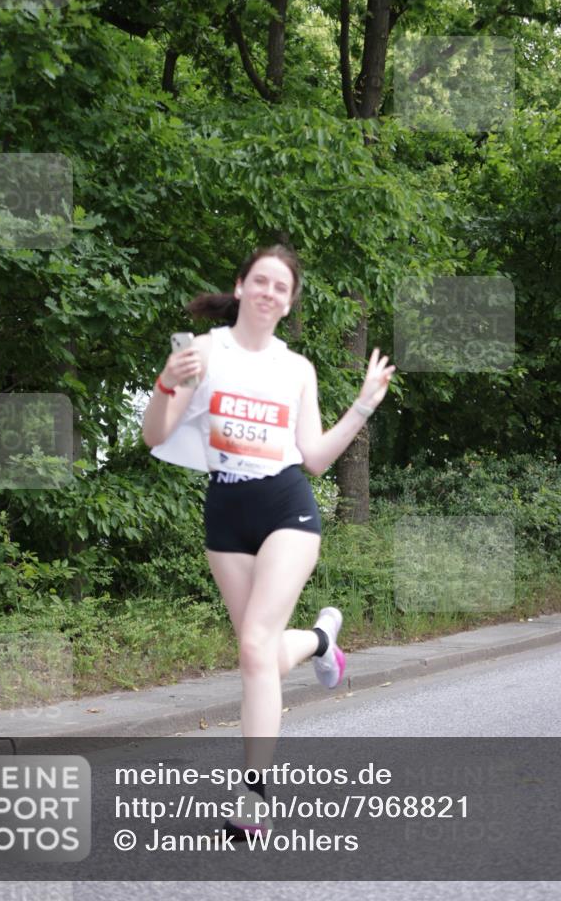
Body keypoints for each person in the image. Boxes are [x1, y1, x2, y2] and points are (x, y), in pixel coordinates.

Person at [142, 244, 395, 838]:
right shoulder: (201, 352)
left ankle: (254, 794)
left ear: (289, 301)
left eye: (281, 287)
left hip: (286, 506)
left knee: (255, 647)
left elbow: (314, 460)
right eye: (260, 281)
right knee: (259, 654)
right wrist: (163, 384)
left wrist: (362, 405)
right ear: (240, 286)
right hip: (226, 513)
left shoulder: (296, 369)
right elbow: (156, 436)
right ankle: (317, 639)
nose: (269, 292)